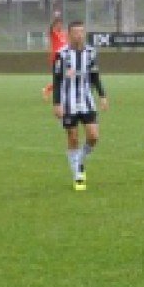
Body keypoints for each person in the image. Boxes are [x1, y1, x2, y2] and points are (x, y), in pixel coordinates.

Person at [51, 22, 107, 192]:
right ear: (69, 34)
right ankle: (77, 174)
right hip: (68, 102)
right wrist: (57, 103)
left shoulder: (91, 52)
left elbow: (95, 75)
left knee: (94, 136)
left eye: (81, 32)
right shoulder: (62, 54)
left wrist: (102, 95)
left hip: (86, 100)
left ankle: (79, 160)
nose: (79, 35)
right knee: (73, 138)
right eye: (75, 32)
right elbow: (57, 79)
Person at [43, 10, 67, 102]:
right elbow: (50, 29)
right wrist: (55, 18)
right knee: (58, 77)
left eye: (60, 24)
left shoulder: (64, 33)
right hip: (56, 58)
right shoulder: (54, 33)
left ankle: (48, 89)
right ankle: (47, 90)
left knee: (65, 77)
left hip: (65, 58)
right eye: (57, 24)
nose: (59, 25)